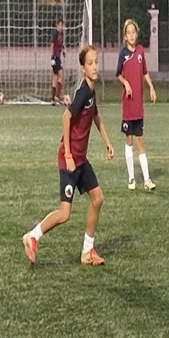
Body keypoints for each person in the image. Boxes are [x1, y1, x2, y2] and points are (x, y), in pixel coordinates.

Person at [23, 44, 116, 266]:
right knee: (65, 213)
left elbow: (96, 116)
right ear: (83, 68)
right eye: (90, 63)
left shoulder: (91, 92)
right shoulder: (83, 92)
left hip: (81, 160)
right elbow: (66, 117)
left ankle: (87, 251)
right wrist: (67, 155)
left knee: (98, 198)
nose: (94, 66)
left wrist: (108, 142)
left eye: (96, 62)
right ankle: (32, 236)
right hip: (70, 160)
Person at [117, 17, 157, 189]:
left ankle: (147, 180)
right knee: (129, 139)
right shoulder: (123, 54)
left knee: (140, 140)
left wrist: (151, 87)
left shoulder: (140, 51)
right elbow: (118, 74)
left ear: (136, 34)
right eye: (129, 33)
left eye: (134, 32)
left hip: (138, 105)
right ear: (125, 36)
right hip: (128, 104)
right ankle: (131, 178)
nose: (132, 35)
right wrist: (125, 83)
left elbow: (144, 72)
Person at [49, 20, 66, 105]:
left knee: (56, 76)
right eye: (60, 25)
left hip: (58, 57)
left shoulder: (61, 34)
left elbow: (61, 44)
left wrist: (63, 51)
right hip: (55, 58)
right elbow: (52, 45)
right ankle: (57, 96)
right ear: (57, 26)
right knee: (61, 74)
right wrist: (52, 57)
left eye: (62, 25)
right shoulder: (55, 33)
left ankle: (53, 99)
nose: (61, 27)